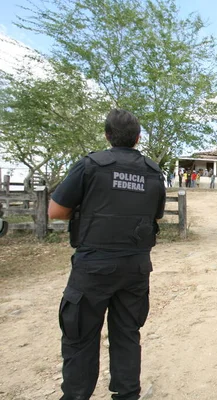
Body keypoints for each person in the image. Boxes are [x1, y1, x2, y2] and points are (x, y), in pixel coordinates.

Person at [48, 109, 166, 400]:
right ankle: (127, 394)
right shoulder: (152, 172)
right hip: (135, 267)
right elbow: (157, 216)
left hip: (93, 267)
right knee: (127, 334)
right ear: (138, 139)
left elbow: (56, 211)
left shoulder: (90, 166)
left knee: (80, 337)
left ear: (107, 135)